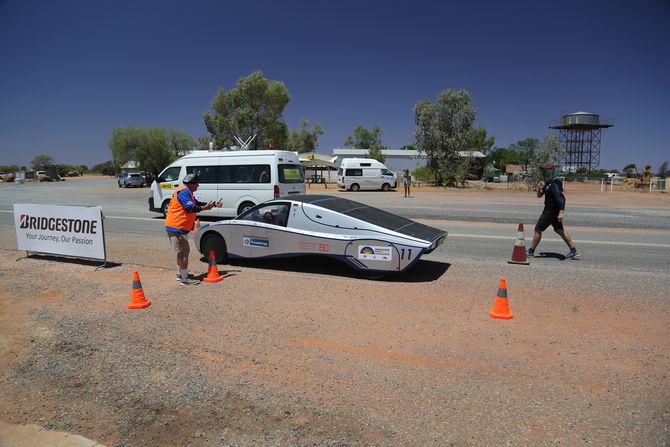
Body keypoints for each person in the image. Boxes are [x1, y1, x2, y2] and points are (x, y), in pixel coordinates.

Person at [165, 173, 222, 285]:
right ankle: (185, 279)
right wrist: (205, 208)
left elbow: (195, 203)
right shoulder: (184, 192)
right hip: (177, 226)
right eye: (196, 183)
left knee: (180, 252)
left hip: (175, 226)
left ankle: (181, 274)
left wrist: (213, 204)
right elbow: (190, 207)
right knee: (184, 252)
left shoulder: (186, 191)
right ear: (191, 184)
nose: (198, 185)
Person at [528, 163, 579, 260]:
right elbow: (539, 195)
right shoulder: (548, 183)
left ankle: (530, 251)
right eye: (544, 170)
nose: (545, 172)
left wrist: (561, 212)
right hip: (552, 211)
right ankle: (573, 250)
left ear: (552, 171)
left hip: (550, 211)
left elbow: (561, 198)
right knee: (559, 230)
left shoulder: (555, 182)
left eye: (546, 170)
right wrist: (539, 189)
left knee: (538, 229)